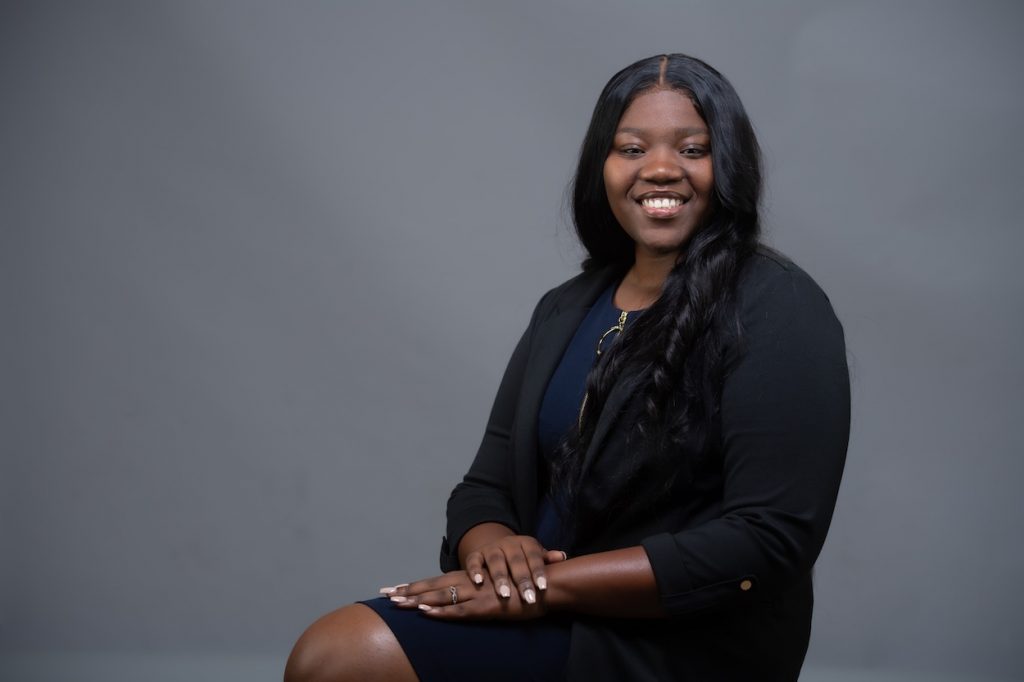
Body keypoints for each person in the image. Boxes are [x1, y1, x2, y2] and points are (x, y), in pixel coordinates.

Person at [284, 53, 850, 682]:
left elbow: (768, 538)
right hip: (544, 606)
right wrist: (497, 552)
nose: (660, 168)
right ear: (602, 169)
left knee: (341, 658)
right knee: (331, 653)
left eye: (692, 149)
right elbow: (484, 488)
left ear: (728, 167)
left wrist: (542, 588)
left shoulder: (777, 305)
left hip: (678, 639)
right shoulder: (566, 308)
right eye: (631, 149)